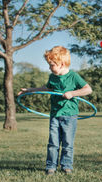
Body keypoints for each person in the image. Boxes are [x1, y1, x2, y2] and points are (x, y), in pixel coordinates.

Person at [18, 46, 92, 175]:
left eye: (51, 65)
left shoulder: (73, 76)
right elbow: (46, 88)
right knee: (53, 142)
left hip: (70, 115)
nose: (49, 68)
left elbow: (88, 89)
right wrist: (29, 90)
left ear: (61, 64)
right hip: (55, 115)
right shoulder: (52, 77)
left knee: (67, 143)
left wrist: (73, 93)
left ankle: (66, 166)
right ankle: (50, 166)